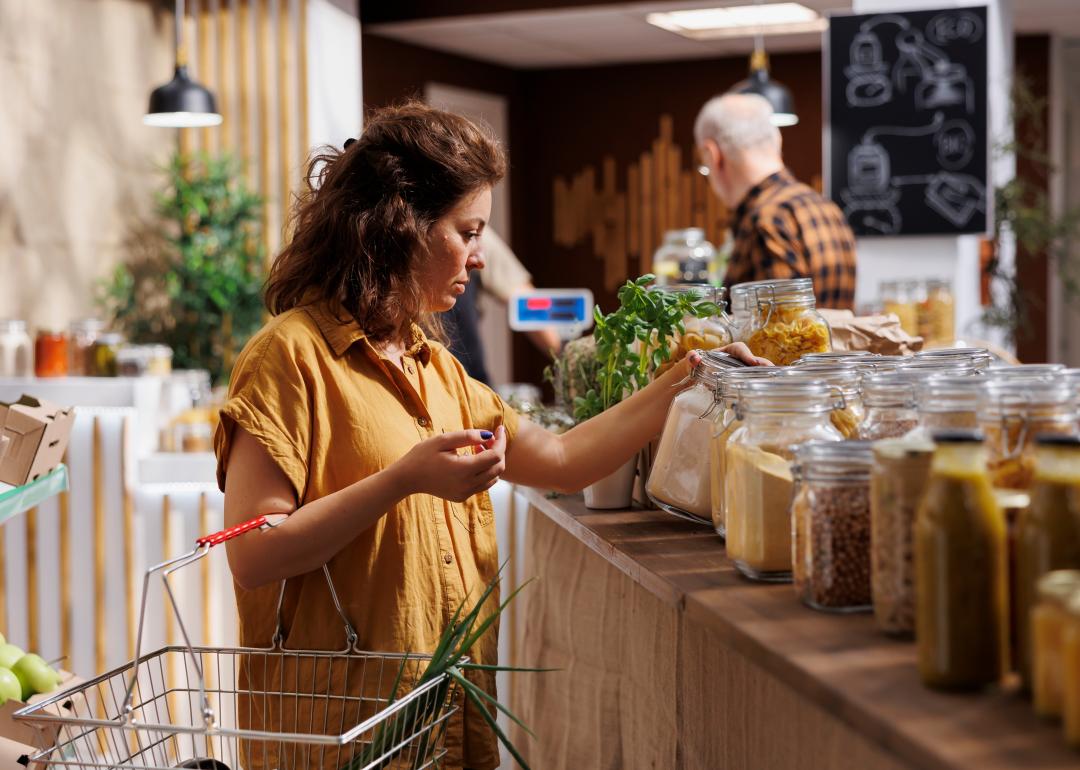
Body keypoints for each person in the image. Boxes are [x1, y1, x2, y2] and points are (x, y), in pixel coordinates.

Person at [214, 100, 766, 770]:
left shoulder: (436, 367)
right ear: (401, 226)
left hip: (442, 727)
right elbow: (251, 555)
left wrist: (687, 377)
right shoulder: (288, 357)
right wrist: (402, 480)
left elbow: (563, 459)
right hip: (342, 735)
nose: (478, 259)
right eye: (467, 231)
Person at [694, 93, 858, 310]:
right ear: (777, 139)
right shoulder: (826, 207)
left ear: (713, 155)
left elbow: (777, 332)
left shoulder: (766, 219)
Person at [444, 228, 561, 385]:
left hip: (470, 386)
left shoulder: (473, 229)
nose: (479, 260)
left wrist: (566, 352)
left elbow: (524, 300)